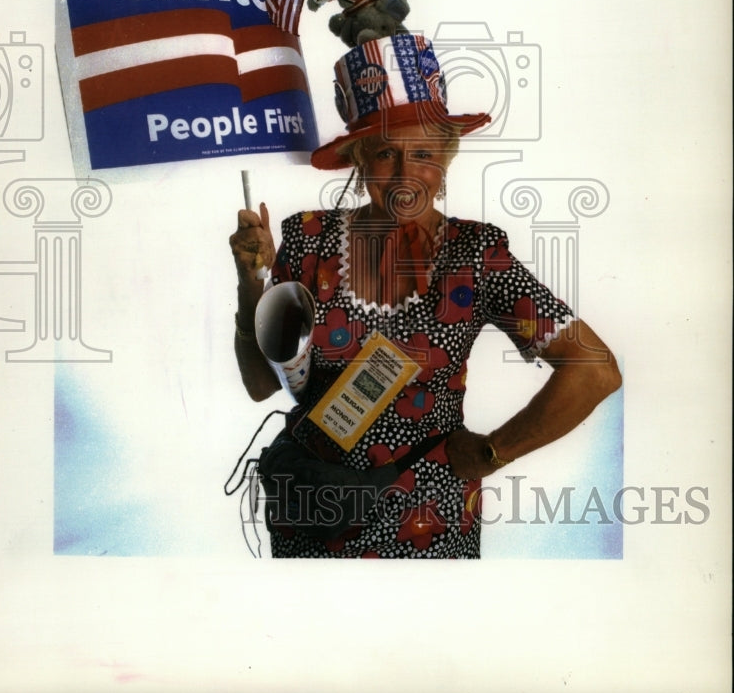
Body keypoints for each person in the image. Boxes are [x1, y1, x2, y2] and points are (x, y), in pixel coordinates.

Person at [229, 33, 621, 558]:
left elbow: (593, 368)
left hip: (428, 528)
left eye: (423, 154)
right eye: (385, 153)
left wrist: (493, 452)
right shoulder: (308, 238)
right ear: (358, 159)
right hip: (312, 514)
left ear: (447, 160)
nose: (405, 174)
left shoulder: (476, 255)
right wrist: (250, 281)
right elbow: (261, 385)